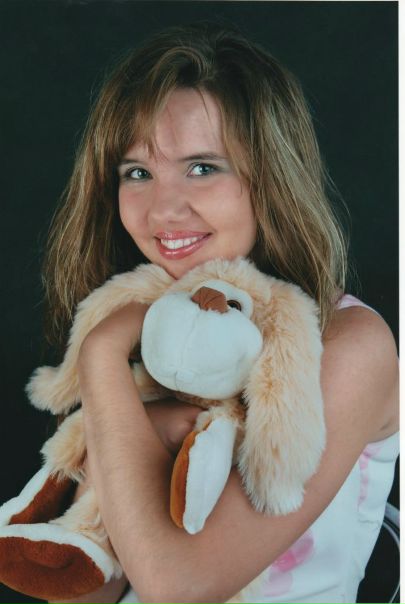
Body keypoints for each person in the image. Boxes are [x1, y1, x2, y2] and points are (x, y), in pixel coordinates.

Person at [44, 24, 398, 604]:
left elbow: (178, 588)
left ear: (273, 176)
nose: (163, 210)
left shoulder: (349, 344)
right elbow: (83, 591)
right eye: (138, 173)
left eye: (203, 167)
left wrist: (100, 355)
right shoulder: (153, 331)